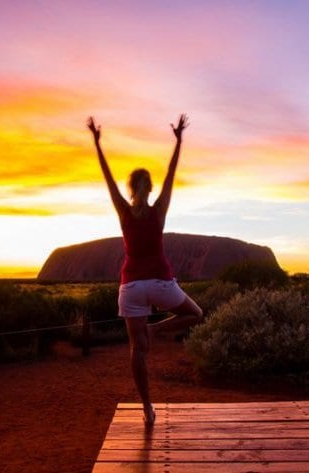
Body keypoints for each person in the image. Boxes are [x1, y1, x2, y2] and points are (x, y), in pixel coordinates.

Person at [87, 114, 203, 425]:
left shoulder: (123, 211)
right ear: (150, 189)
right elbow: (171, 174)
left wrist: (97, 143)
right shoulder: (159, 209)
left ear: (129, 189)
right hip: (162, 284)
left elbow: (107, 178)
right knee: (195, 314)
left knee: (137, 350)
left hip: (131, 288)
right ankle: (156, 329)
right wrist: (178, 141)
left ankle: (147, 408)